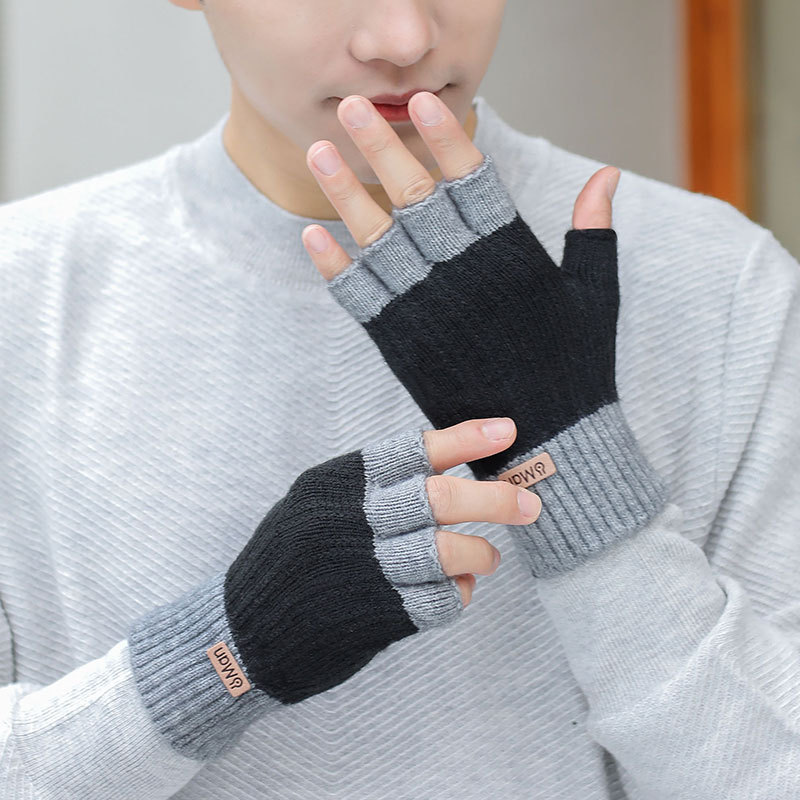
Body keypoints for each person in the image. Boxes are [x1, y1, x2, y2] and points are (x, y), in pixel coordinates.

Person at [1, 1, 798, 797]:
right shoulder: (21, 295)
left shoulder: (721, 282)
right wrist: (220, 658)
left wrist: (590, 502)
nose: (405, 39)